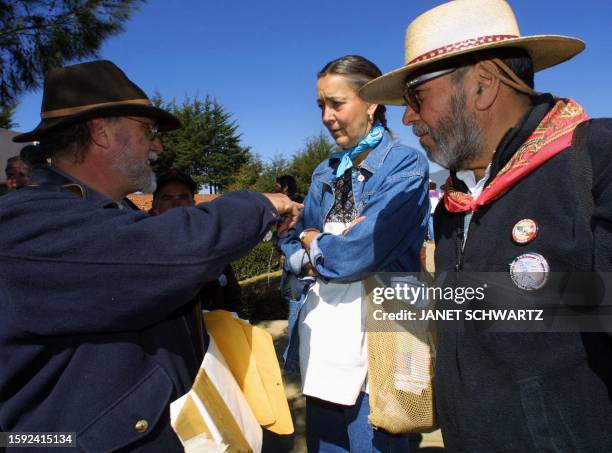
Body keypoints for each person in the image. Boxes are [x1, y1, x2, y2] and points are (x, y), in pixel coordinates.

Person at [0, 60, 301, 452]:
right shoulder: (28, 222)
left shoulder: (109, 212)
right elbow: (179, 250)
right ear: (102, 131)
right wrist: (262, 203)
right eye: (147, 132)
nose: (157, 146)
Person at [360, 0, 612, 451]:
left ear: (482, 85)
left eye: (416, 96)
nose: (407, 117)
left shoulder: (597, 162)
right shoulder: (454, 203)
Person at [277, 55, 429, 452]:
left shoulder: (405, 164)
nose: (327, 116)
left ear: (372, 102)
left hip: (387, 340)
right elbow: (291, 240)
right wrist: (312, 248)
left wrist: (316, 244)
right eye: (320, 106)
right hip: (325, 345)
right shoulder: (325, 172)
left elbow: (352, 256)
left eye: (337, 103)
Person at [151, 169, 242, 313]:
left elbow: (233, 297)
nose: (176, 204)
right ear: (155, 207)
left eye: (183, 197)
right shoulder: (145, 251)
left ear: (193, 204)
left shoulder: (212, 247)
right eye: (167, 198)